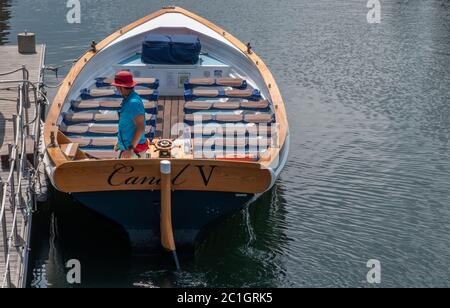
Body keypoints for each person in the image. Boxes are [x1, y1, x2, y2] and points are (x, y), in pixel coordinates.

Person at [111, 71, 149, 159]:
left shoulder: (133, 103)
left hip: (133, 152)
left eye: (117, 86)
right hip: (128, 149)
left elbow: (141, 127)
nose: (116, 88)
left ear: (122, 87)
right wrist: (120, 141)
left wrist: (130, 149)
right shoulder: (129, 99)